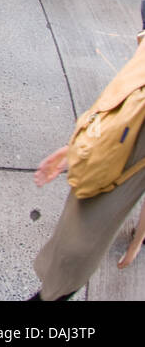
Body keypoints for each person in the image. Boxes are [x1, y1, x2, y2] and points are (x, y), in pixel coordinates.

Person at [31, 37, 145, 299]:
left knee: (70, 262)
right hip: (116, 151)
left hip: (118, 154)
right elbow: (127, 89)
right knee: (70, 260)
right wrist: (85, 140)